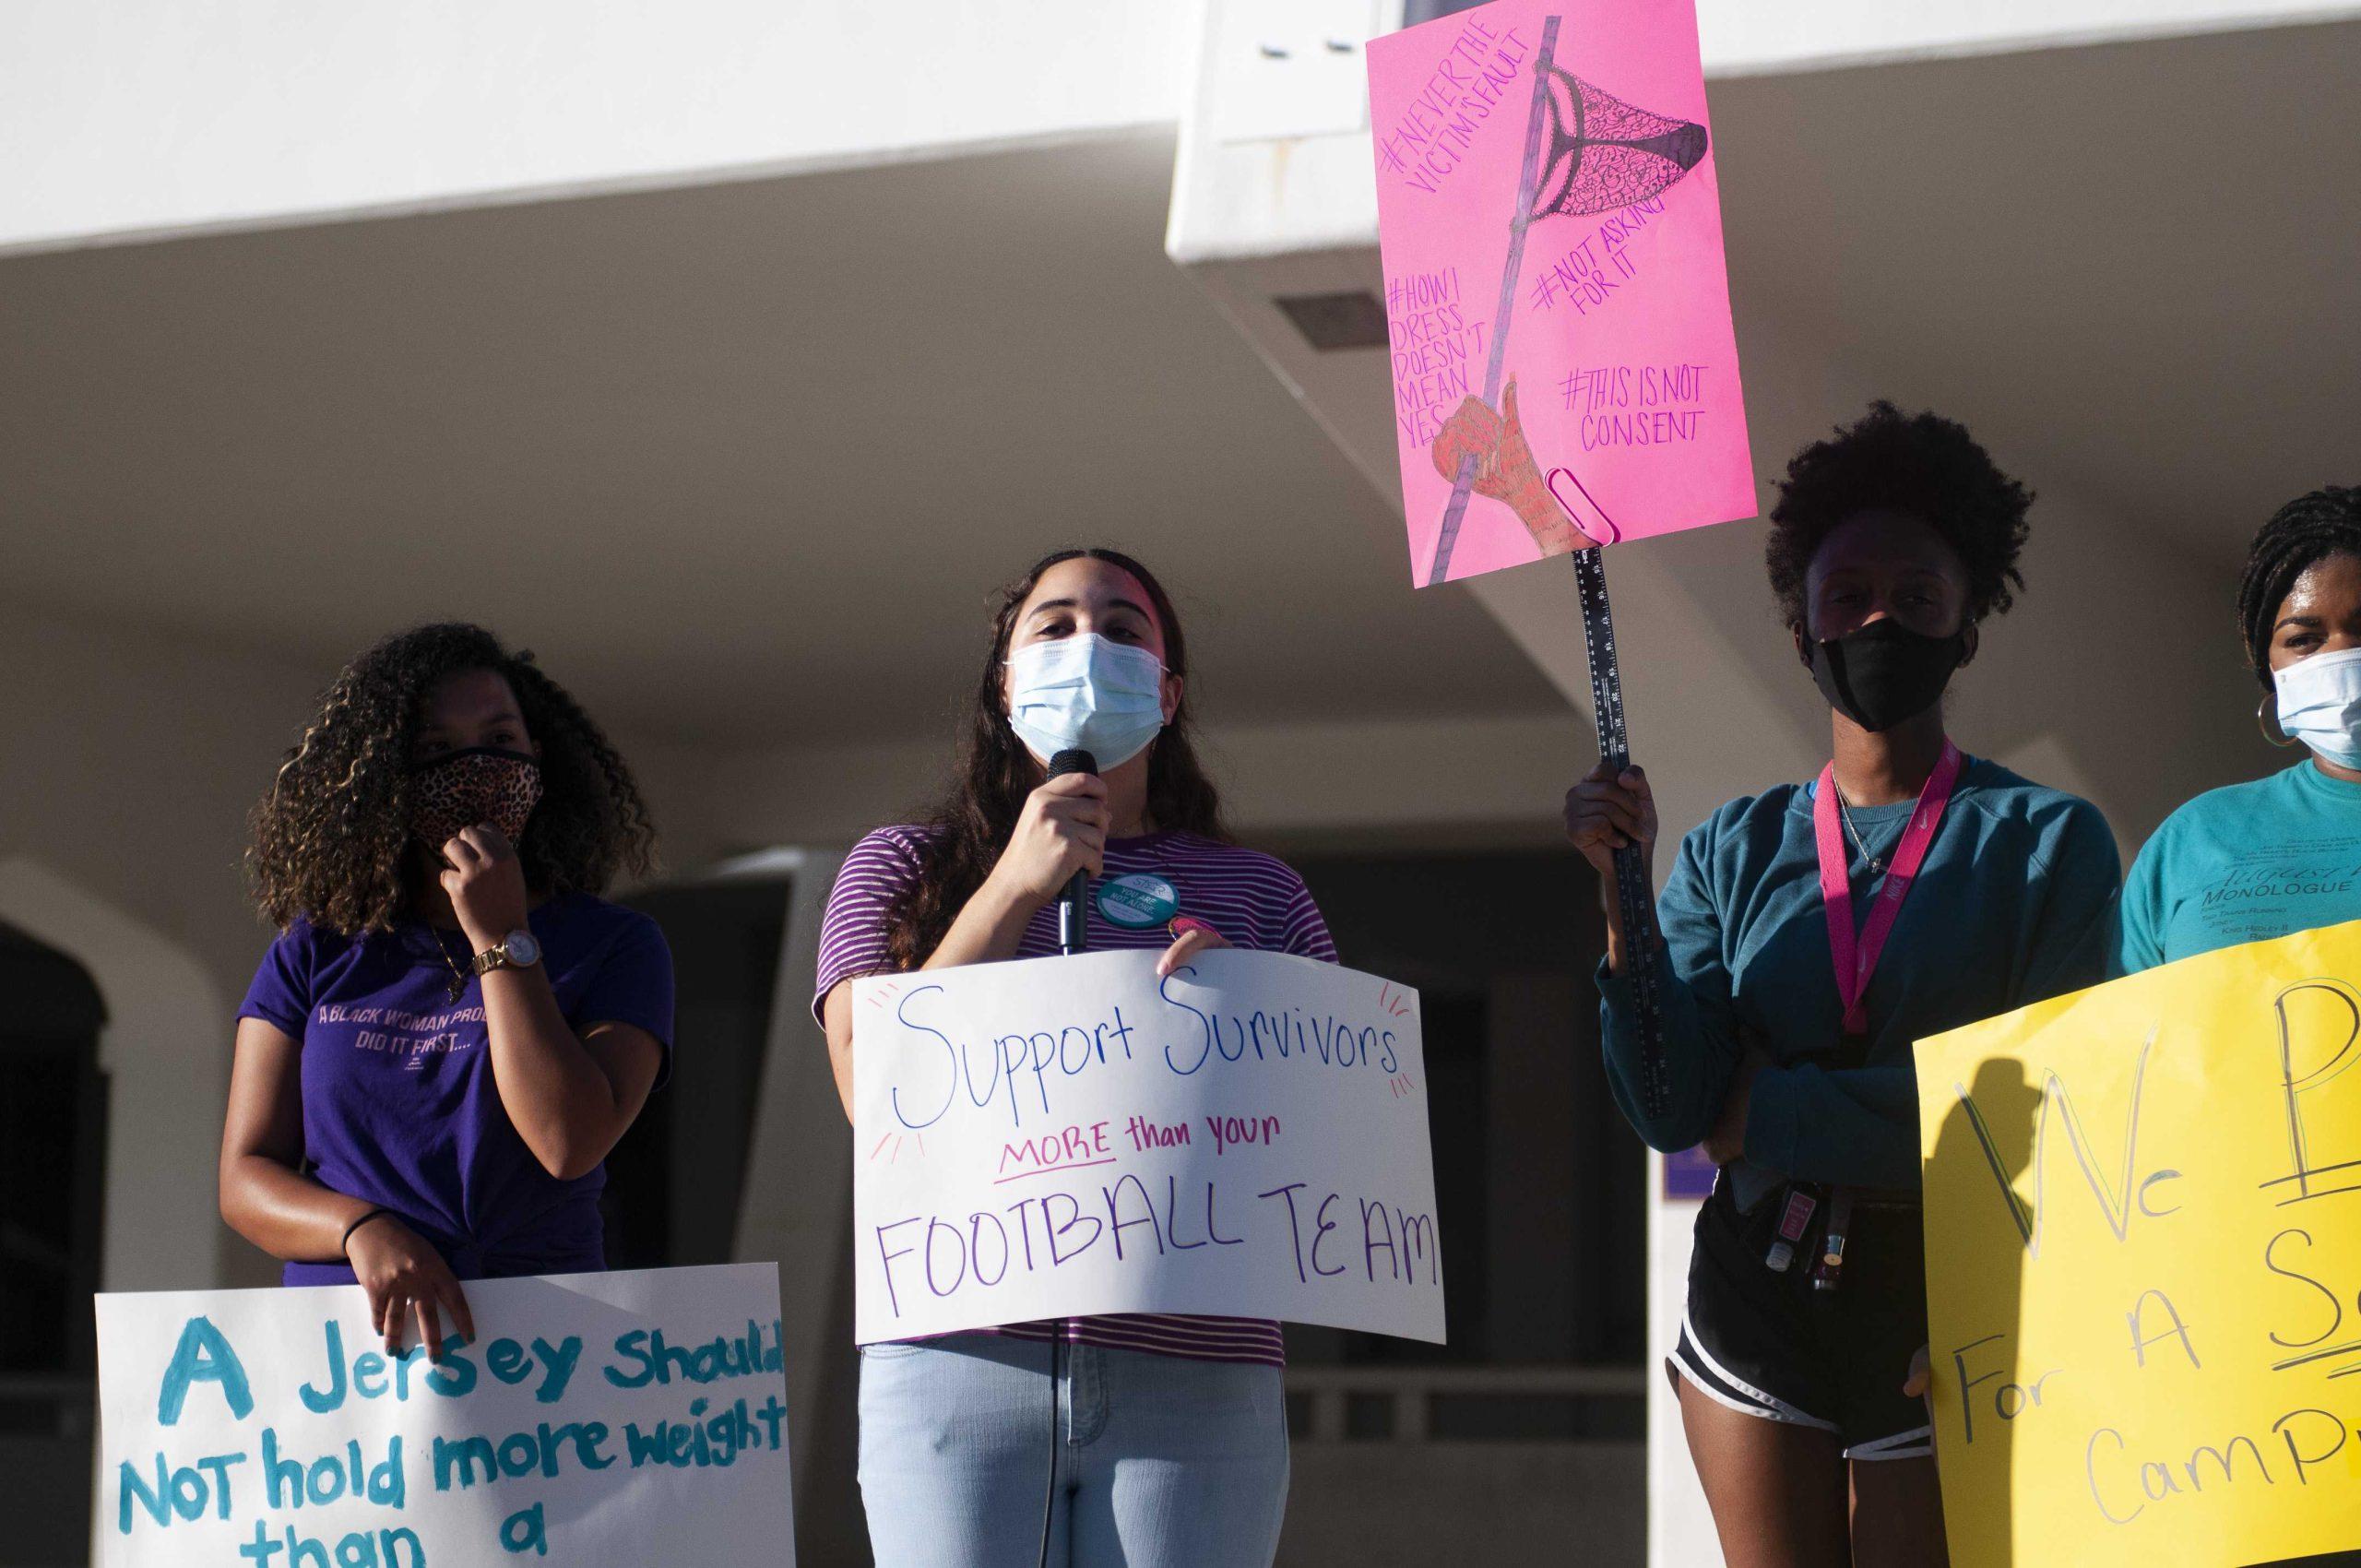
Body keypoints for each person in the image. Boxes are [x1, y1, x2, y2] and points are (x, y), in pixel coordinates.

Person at [1560, 405, 2121, 1565]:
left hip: (1953, 1289)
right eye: (1846, 593)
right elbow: (1670, 1104)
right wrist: (1624, 890)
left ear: (1968, 625)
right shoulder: (1726, 848)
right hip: (1750, 1291)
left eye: (1917, 596)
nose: (1879, 617)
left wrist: (1764, 1107)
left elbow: (2034, 1113)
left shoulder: (2046, 840)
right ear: (1799, 624)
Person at [814, 547, 1333, 1568]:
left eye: (1122, 628)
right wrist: (1012, 884)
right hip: (959, 1355)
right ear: (1005, 685)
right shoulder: (900, 865)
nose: (1087, 643)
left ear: (1168, 691)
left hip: (1197, 1373)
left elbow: (1332, 1136)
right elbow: (871, 1093)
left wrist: (1253, 1014)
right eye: (1052, 625)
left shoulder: (1263, 894)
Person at [219, 624, 673, 1360]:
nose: (476, 769)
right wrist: (361, 1229)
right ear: (385, 780)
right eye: (437, 752)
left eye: (500, 739)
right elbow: (245, 1178)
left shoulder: (616, 946)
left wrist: (501, 938)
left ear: (539, 759)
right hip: (349, 1353)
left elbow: (569, 1142)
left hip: (541, 1351)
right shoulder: (317, 947)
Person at [2112, 485, 2361, 972]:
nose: (2341, 658)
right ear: (2269, 668)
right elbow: (2126, 1032)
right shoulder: (2194, 836)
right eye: (2305, 639)